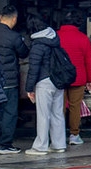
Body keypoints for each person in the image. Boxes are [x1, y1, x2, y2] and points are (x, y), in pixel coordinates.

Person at [0, 5, 29, 155]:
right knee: (9, 113)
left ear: (0, 17)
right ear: (14, 19)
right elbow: (24, 53)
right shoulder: (14, 37)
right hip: (9, 82)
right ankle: (5, 144)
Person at [24, 15, 67, 156]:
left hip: (44, 81)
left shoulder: (38, 44)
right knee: (57, 113)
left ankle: (40, 146)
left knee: (43, 115)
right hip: (58, 80)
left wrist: (29, 88)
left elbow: (33, 68)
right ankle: (58, 144)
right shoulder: (54, 39)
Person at [58, 8, 91, 146]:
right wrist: (90, 80)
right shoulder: (82, 38)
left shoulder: (56, 36)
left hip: (59, 78)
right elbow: (89, 60)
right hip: (78, 78)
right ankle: (74, 135)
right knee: (75, 107)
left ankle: (59, 134)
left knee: (59, 107)